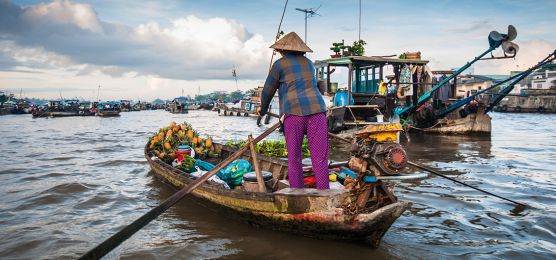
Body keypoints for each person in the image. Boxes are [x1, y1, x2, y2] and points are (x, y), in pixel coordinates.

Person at [257, 32, 329, 190]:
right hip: (317, 111)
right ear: (301, 50)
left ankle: (297, 193)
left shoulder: (279, 64)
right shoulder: (309, 63)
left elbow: (268, 90)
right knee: (320, 159)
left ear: (282, 50)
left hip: (294, 113)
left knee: (294, 159)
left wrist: (262, 111)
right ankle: (324, 193)